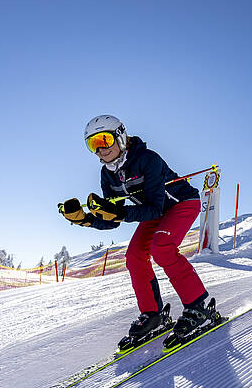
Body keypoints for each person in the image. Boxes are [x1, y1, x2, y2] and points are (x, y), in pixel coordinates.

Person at [58, 115, 217, 349]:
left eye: (104, 139)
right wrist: (85, 220)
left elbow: (150, 208)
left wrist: (118, 213)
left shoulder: (147, 159)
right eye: (93, 144)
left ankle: (198, 306)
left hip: (180, 203)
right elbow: (113, 219)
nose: (100, 149)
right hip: (153, 212)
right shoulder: (107, 174)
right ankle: (153, 314)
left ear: (120, 136)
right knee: (133, 256)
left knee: (161, 248)